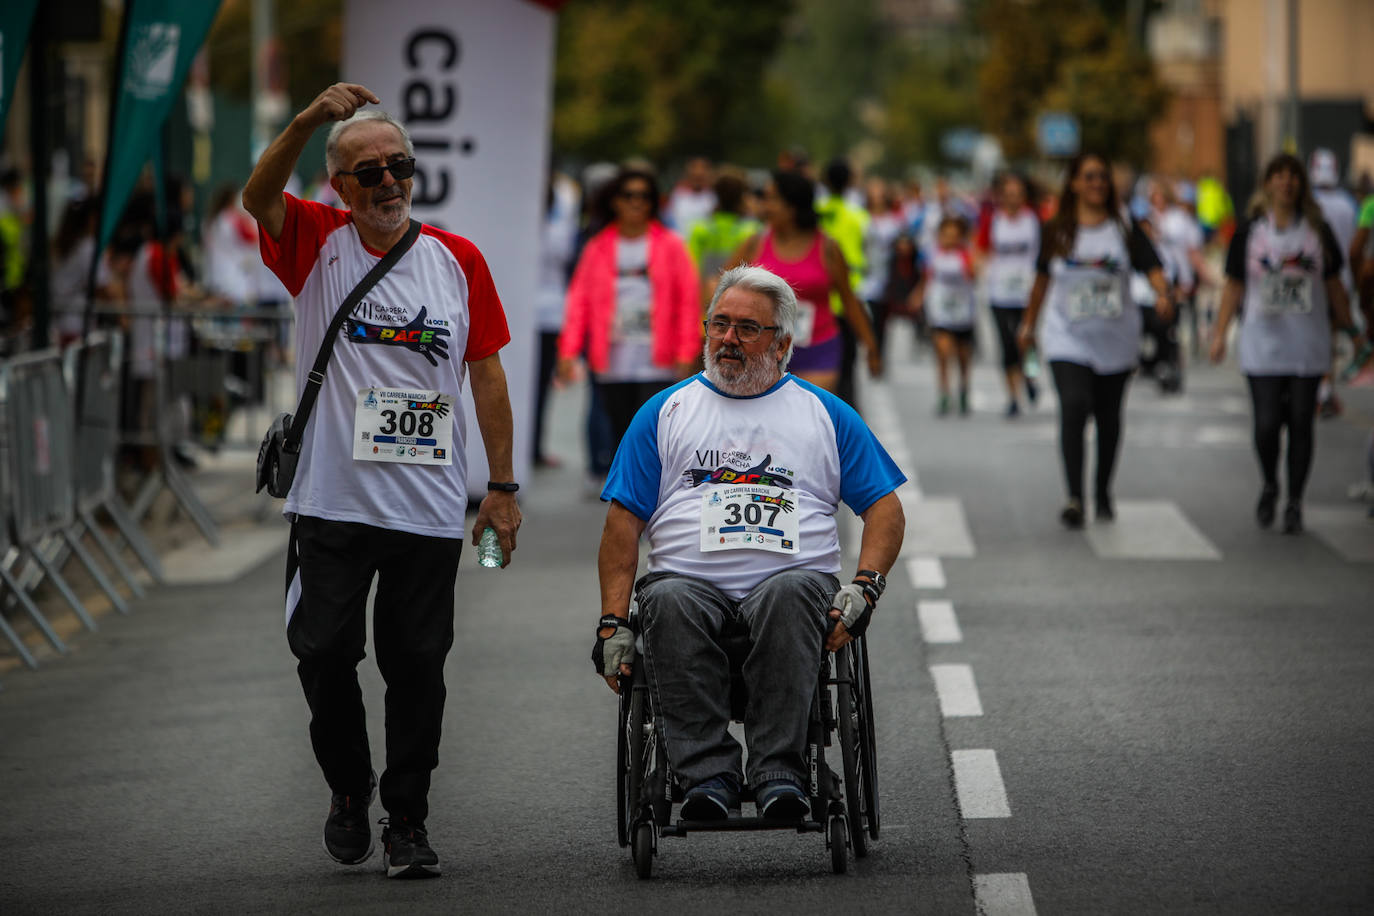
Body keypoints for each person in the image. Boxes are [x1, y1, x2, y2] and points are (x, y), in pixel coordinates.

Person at [241, 82, 521, 879]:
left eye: (400, 165)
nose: (389, 181)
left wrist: (500, 487)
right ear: (339, 187)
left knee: (417, 671)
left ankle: (406, 818)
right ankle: (347, 785)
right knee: (322, 652)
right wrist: (304, 120)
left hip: (425, 514)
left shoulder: (458, 259)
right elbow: (257, 194)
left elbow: (488, 376)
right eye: (369, 171)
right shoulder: (316, 240)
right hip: (330, 502)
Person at [590, 263, 906, 820]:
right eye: (720, 324)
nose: (729, 339)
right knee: (664, 599)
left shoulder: (824, 414)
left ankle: (780, 773)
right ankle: (707, 776)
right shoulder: (664, 413)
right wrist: (613, 622)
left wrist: (865, 588)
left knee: (788, 593)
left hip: (794, 585)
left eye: (747, 328)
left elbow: (884, 507)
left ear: (783, 343)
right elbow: (621, 528)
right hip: (688, 586)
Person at [1208, 153, 1365, 534]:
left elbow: (1333, 285)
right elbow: (1233, 285)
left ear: (1302, 185)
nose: (1286, 183)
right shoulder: (1249, 233)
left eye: (1292, 176)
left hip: (1306, 344)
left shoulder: (1317, 231)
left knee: (1300, 422)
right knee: (1266, 424)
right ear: (1268, 184)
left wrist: (1352, 330)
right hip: (1262, 342)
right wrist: (1219, 333)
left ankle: (1294, 499)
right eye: (1278, 176)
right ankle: (1269, 483)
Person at [1017, 152, 1172, 528]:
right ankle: (1074, 496)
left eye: (1102, 177)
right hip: (1066, 335)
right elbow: (1041, 282)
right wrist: (1029, 325)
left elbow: (1152, 267)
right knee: (1073, 404)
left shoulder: (1123, 228)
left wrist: (1162, 293)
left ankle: (1102, 490)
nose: (1097, 183)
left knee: (1108, 416)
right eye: (1088, 177)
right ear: (1073, 183)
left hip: (1116, 339)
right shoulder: (1057, 230)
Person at [557, 166, 701, 454]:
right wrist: (568, 351)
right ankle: (625, 495)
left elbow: (688, 301)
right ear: (615, 201)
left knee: (656, 436)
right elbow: (579, 303)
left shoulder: (672, 245)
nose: (637, 202)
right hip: (613, 361)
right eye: (629, 195)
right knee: (620, 436)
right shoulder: (597, 247)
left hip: (658, 361)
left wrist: (687, 351)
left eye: (644, 196)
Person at [724, 170, 882, 393]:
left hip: (818, 348)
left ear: (792, 205)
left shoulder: (828, 248)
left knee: (809, 421)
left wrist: (871, 347)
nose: (764, 205)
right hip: (762, 351)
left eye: (771, 199)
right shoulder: (753, 244)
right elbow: (723, 294)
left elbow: (849, 300)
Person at [978, 172, 1041, 417]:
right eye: (1008, 194)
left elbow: (1042, 254)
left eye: (1017, 194)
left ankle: (1030, 376)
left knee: (1026, 340)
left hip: (1026, 292)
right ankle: (1013, 397)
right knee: (1007, 345)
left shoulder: (1033, 221)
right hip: (1000, 292)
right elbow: (981, 250)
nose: (1013, 199)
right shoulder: (993, 220)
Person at [1308, 149, 1359, 419]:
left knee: (1314, 334)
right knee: (1330, 334)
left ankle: (1318, 388)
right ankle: (1324, 387)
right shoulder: (1348, 204)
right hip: (1342, 280)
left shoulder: (1308, 203)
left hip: (1314, 281)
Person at [913, 215, 977, 416]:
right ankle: (944, 393)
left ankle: (964, 389)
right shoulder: (932, 254)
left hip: (963, 311)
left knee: (963, 356)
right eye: (945, 235)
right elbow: (926, 278)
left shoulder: (965, 254)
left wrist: (973, 264)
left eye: (953, 236)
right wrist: (918, 295)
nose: (949, 239)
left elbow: (974, 276)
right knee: (942, 351)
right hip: (940, 310)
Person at [687, 171, 759, 295]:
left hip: (703, 304)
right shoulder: (752, 231)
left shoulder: (699, 228)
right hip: (737, 303)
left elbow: (690, 271)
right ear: (742, 196)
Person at [664, 156, 716, 233]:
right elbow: (668, 221)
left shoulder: (714, 198)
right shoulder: (677, 195)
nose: (698, 173)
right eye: (695, 175)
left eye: (700, 176)